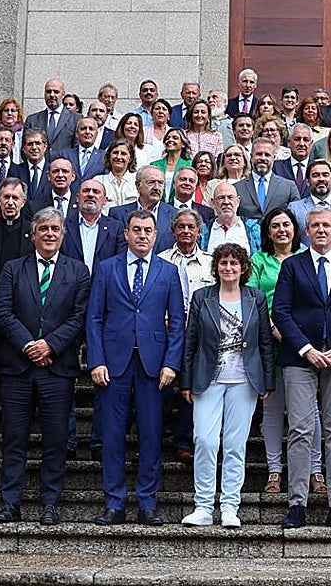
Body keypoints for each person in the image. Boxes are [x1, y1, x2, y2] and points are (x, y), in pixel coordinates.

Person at [0, 209, 90, 526]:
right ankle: (10, 503)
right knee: (14, 438)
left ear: (63, 235)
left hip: (57, 368)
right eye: (43, 228)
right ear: (33, 234)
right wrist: (29, 346)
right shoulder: (12, 269)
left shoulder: (78, 271)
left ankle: (50, 502)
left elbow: (79, 317)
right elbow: (3, 312)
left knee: (55, 440)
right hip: (17, 368)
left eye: (55, 229)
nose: (49, 234)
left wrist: (50, 345)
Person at [86, 209, 184, 526]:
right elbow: (95, 318)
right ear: (126, 233)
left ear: (156, 236)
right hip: (114, 363)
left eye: (148, 230)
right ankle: (114, 502)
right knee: (112, 436)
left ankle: (147, 503)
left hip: (153, 365)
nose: (142, 235)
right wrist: (96, 360)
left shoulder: (168, 272)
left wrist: (171, 363)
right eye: (137, 230)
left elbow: (178, 324)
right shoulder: (106, 268)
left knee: (151, 436)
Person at [272, 208, 331, 529]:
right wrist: (307, 349)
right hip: (300, 359)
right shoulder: (292, 266)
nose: (321, 230)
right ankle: (297, 503)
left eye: (326, 225)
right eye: (315, 226)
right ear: (306, 231)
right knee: (300, 430)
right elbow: (280, 312)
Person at [178, 243, 275, 529]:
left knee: (235, 445)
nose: (229, 268)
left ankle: (230, 506)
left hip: (244, 381)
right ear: (216, 267)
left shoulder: (255, 298)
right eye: (223, 263)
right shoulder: (202, 297)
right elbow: (191, 341)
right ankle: (204, 506)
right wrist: (185, 381)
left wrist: (267, 379)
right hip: (207, 379)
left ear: (244, 268)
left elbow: (264, 342)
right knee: (205, 442)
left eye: (234, 263)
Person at [249, 207, 326, 496]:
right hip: (269, 340)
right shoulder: (259, 260)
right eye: (275, 226)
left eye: (286, 224)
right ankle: (274, 471)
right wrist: (275, 328)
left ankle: (314, 471)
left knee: (310, 410)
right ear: (267, 232)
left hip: (305, 343)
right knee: (272, 407)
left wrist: (298, 337)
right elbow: (254, 298)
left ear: (296, 229)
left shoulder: (308, 258)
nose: (282, 230)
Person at [107, 166, 178, 255]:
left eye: (160, 183)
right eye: (151, 182)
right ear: (137, 185)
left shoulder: (175, 215)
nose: (156, 187)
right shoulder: (117, 214)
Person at [61, 178, 124, 276]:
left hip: (104, 286)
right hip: (70, 287)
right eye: (86, 191)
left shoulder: (116, 228)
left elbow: (120, 262)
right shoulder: (63, 225)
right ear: (77, 198)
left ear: (105, 200)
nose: (90, 195)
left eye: (96, 192)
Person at [288, 160, 331, 237]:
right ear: (308, 182)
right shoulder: (295, 209)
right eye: (315, 175)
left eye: (325, 175)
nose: (321, 179)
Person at [236, 138, 300, 220]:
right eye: (259, 154)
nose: (263, 158)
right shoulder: (237, 188)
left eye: (267, 155)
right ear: (251, 157)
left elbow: (296, 218)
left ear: (274, 157)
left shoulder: (289, 187)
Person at [25, 78, 80, 153]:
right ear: (44, 94)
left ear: (63, 94)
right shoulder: (32, 120)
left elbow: (78, 148)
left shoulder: (76, 119)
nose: (52, 95)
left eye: (56, 92)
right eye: (48, 92)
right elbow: (25, 148)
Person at [61, 116, 108, 183]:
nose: (87, 132)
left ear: (96, 134)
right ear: (77, 133)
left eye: (91, 129)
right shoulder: (65, 155)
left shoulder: (104, 157)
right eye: (83, 128)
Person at [151, 129, 193, 198]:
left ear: (183, 144)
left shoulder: (189, 165)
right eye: (167, 138)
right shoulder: (155, 165)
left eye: (175, 138)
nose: (170, 140)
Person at [99, 139, 138, 211]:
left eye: (123, 154)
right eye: (115, 153)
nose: (119, 157)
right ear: (109, 156)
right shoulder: (99, 181)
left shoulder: (137, 180)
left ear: (130, 159)